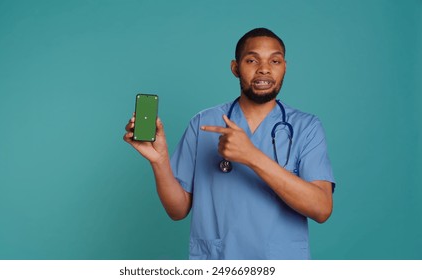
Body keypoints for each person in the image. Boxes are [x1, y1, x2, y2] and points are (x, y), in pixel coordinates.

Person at [124, 27, 335, 260]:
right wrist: (160, 161)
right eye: (252, 60)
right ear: (235, 68)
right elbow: (178, 210)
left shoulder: (306, 127)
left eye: (275, 61)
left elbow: (322, 208)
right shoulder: (203, 123)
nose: (264, 69)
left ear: (284, 67)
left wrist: (252, 156)